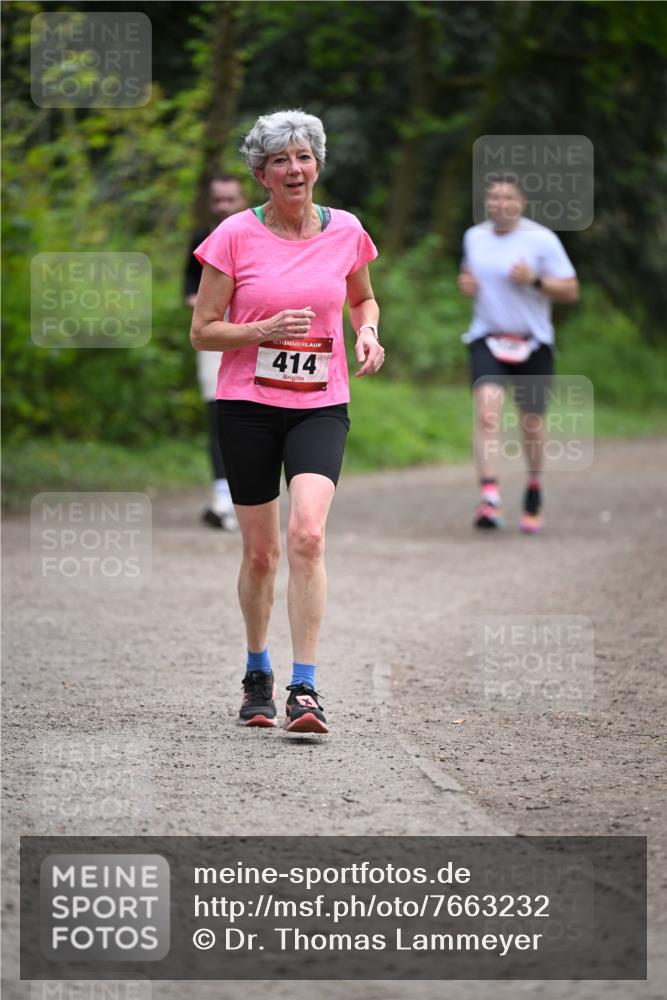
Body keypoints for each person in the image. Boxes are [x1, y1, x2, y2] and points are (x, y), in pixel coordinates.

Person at [190, 110, 384, 733]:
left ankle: (306, 689)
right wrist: (261, 331)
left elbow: (361, 297)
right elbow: (203, 331)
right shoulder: (233, 237)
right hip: (248, 406)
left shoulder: (347, 230)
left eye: (303, 157)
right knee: (263, 553)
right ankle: (257, 672)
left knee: (307, 535)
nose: (294, 169)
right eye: (280, 160)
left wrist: (369, 333)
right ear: (261, 173)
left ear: (317, 166)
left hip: (319, 405)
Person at [458, 177, 579, 533]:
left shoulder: (542, 240)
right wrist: (465, 284)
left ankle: (534, 485)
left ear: (522, 202)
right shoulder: (474, 237)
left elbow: (571, 290)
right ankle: (489, 497)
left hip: (533, 342)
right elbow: (469, 276)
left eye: (508, 196)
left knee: (532, 423)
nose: (500, 203)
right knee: (487, 412)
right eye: (494, 196)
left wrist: (535, 280)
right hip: (487, 337)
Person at [184, 176, 248, 530]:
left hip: (261, 338)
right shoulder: (201, 240)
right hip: (214, 335)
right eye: (218, 200)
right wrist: (200, 300)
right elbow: (189, 287)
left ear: (242, 198)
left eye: (230, 200)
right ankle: (223, 495)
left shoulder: (258, 235)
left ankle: (251, 495)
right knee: (219, 413)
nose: (224, 206)